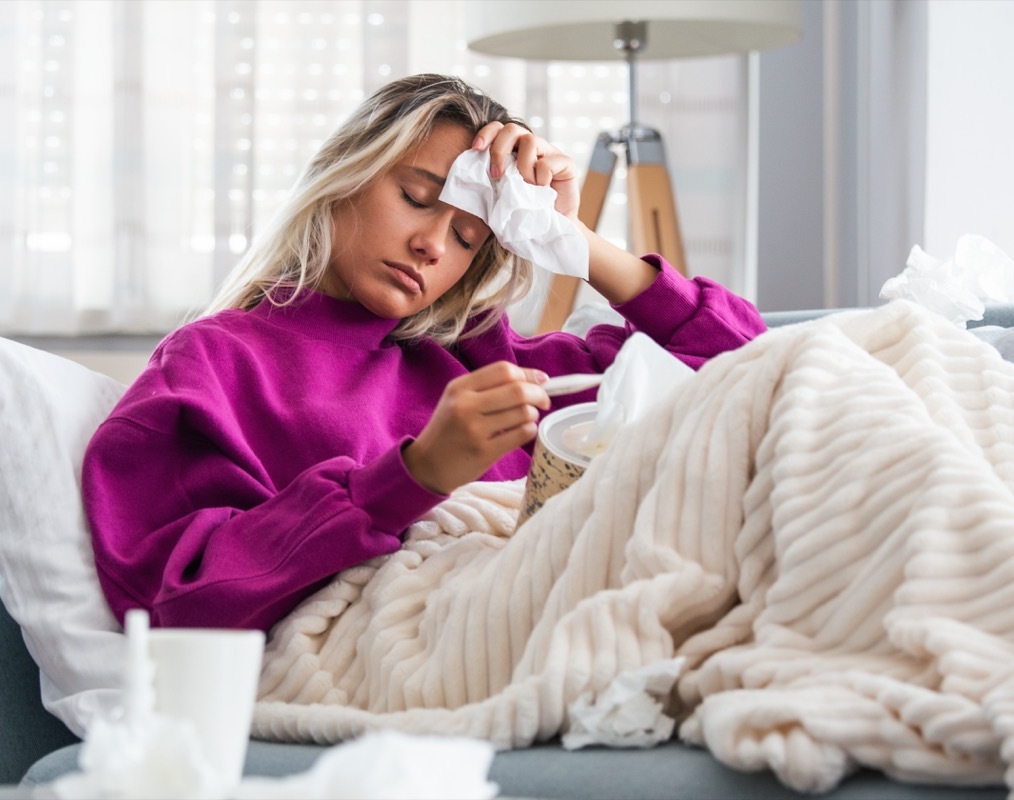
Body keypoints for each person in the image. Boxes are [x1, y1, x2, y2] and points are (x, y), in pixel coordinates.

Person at [82, 74, 767, 634]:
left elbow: (750, 374)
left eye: (469, 237)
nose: (434, 246)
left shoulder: (481, 355)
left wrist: (579, 243)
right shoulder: (215, 364)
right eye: (416, 198)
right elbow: (174, 598)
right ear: (345, 176)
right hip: (421, 642)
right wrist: (413, 475)